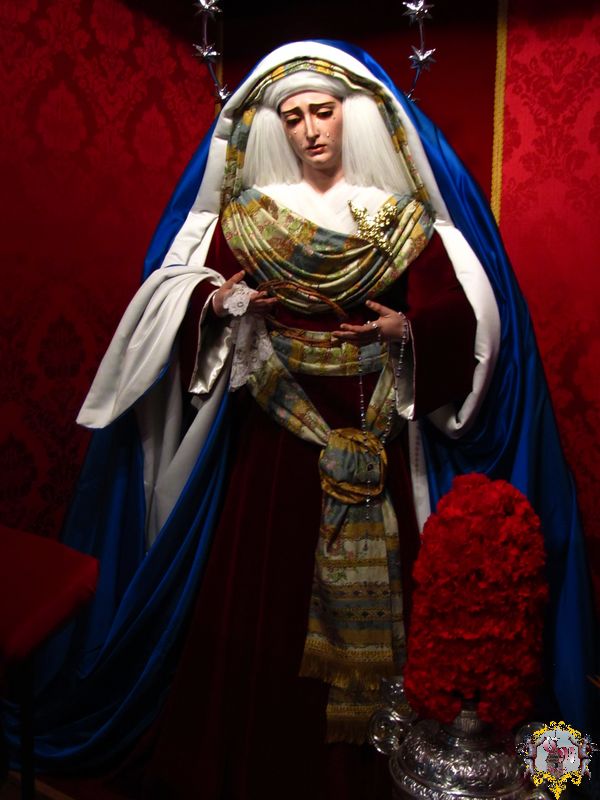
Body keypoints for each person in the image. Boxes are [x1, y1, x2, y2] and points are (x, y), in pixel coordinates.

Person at [5, 40, 594, 799]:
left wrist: (408, 331)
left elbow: (456, 311)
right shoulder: (253, 215)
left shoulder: (399, 218)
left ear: (353, 117)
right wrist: (219, 301)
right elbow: (183, 289)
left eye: (322, 112)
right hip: (275, 440)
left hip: (373, 434)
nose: (310, 130)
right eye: (292, 117)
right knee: (260, 607)